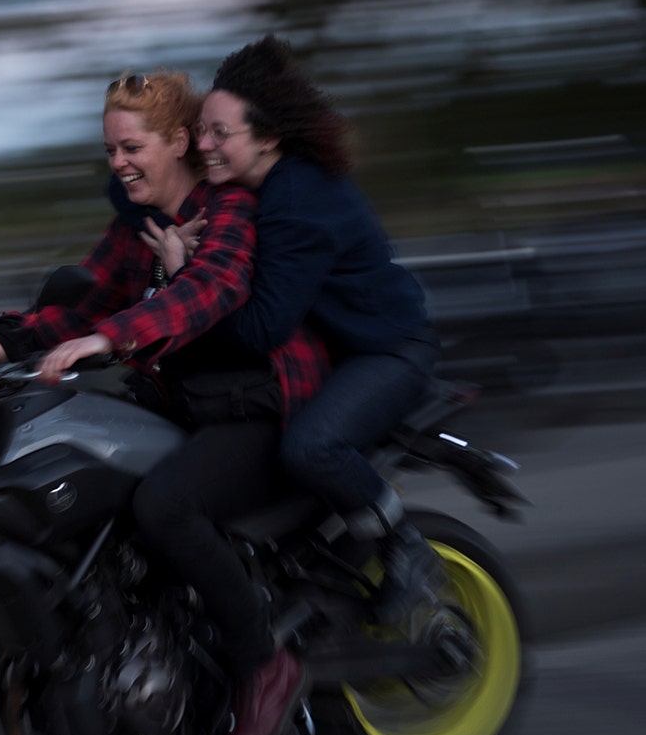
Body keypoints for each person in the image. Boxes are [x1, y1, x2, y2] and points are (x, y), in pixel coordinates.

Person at [0, 69, 329, 735]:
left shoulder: (230, 207)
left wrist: (110, 337)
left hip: (258, 408)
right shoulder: (137, 230)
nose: (120, 162)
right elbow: (67, 313)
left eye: (132, 147)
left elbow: (211, 288)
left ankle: (265, 663)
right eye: (111, 151)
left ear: (178, 142)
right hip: (182, 407)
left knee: (164, 505)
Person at [167, 35, 447, 625]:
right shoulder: (261, 187)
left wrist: (181, 293)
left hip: (386, 350)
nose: (204, 144)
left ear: (267, 137)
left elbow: (261, 328)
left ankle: (404, 543)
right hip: (336, 349)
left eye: (220, 133)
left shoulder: (298, 200)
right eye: (201, 130)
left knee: (311, 447)